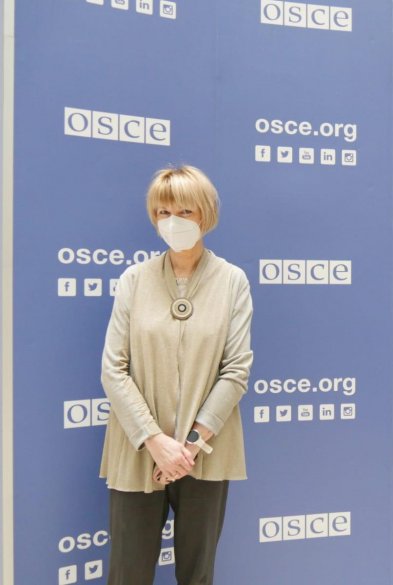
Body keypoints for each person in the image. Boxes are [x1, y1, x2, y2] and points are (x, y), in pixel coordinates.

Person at [100, 165, 253, 585]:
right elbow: (113, 368)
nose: (174, 221)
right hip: (137, 448)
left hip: (205, 451)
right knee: (127, 574)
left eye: (185, 211)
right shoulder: (134, 280)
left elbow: (236, 369)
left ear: (205, 214)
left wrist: (187, 447)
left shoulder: (232, 281)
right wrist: (155, 441)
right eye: (164, 212)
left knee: (197, 575)